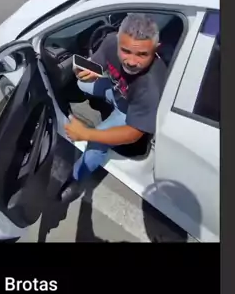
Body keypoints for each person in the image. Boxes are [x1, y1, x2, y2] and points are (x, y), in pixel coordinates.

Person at [60, 12, 167, 204]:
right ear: (117, 40)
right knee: (82, 84)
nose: (132, 62)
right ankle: (103, 104)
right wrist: (83, 71)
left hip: (128, 110)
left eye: (142, 54)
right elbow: (95, 64)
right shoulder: (110, 41)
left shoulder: (151, 86)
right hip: (116, 89)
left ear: (156, 48)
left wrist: (86, 134)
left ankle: (77, 178)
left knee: (96, 145)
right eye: (126, 51)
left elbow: (132, 134)